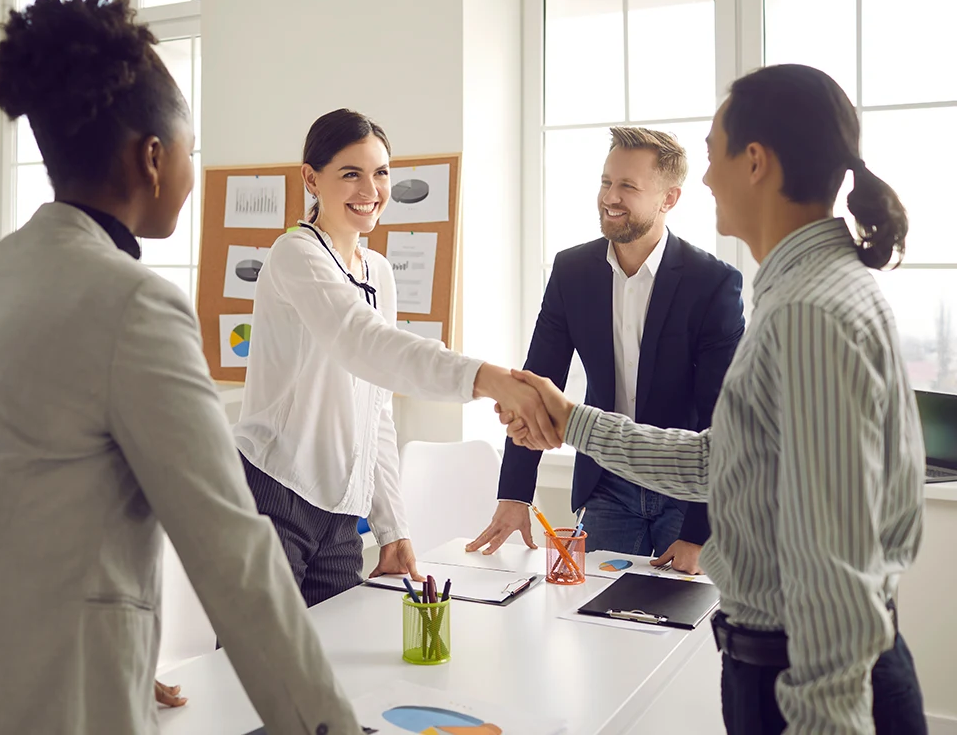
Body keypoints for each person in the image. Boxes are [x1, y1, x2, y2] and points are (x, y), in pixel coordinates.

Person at [0, 0, 366, 735]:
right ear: (154, 159)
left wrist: (113, 656)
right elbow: (233, 553)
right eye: (194, 152)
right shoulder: (135, 304)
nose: (195, 174)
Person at [503, 64, 926, 734]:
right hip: (780, 668)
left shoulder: (807, 311)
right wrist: (574, 421)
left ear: (754, 161)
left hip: (803, 689)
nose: (702, 179)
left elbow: (836, 575)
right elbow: (723, 463)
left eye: (710, 155)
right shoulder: (808, 292)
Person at [233, 108, 559, 608]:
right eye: (350, 174)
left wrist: (392, 527)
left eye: (381, 173)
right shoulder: (294, 254)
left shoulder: (378, 271)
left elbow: (376, 412)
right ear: (311, 179)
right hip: (275, 495)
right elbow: (364, 344)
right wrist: (488, 379)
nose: (370, 189)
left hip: (342, 513)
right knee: (253, 667)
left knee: (332, 665)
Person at [467, 127, 744, 573]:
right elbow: (537, 383)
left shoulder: (712, 282)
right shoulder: (572, 270)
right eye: (605, 182)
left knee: (677, 628)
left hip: (686, 494)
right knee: (594, 623)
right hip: (605, 487)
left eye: (628, 186)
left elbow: (722, 418)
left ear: (668, 199)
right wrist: (515, 494)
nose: (610, 197)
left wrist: (700, 533)